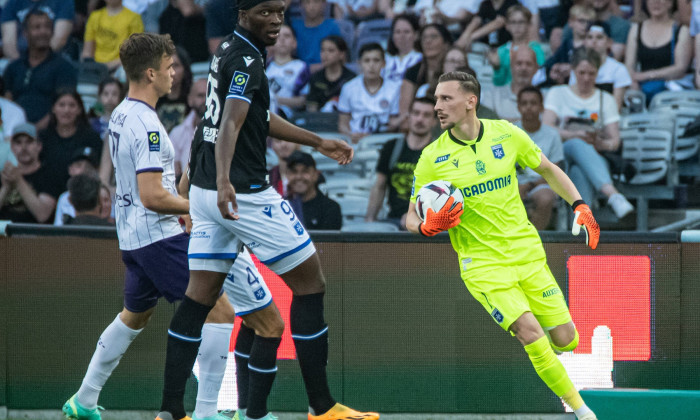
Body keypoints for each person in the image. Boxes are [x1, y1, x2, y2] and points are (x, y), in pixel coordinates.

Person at [157, 1, 378, 419]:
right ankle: (323, 407)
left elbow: (241, 115)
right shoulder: (246, 58)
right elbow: (231, 126)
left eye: (280, 11)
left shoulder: (228, 48)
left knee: (197, 300)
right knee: (311, 284)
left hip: (206, 193)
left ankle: (170, 411)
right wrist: (225, 181)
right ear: (243, 12)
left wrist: (317, 142)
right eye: (266, 12)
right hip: (242, 193)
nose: (276, 20)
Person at [60, 32, 269, 420]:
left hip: (133, 236)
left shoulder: (121, 113)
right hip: (159, 237)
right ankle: (208, 413)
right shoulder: (149, 127)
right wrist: (198, 206)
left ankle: (84, 400)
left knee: (134, 315)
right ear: (152, 72)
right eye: (170, 67)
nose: (176, 74)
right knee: (220, 312)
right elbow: (153, 196)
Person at [406, 70, 600, 420]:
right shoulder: (431, 158)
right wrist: (426, 226)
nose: (437, 106)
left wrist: (580, 205)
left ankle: (555, 365)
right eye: (436, 99)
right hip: (483, 266)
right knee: (531, 334)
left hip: (527, 254)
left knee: (566, 339)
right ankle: (582, 410)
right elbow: (409, 217)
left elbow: (548, 169)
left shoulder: (507, 134)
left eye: (445, 98)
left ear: (470, 101)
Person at [542, 48, 634, 219]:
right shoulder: (558, 93)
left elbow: (614, 141)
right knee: (575, 144)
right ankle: (612, 194)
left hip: (593, 158)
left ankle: (582, 232)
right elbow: (547, 127)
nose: (586, 78)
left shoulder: (605, 99)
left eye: (591, 73)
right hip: (561, 158)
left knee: (580, 172)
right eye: (581, 72)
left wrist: (598, 143)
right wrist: (574, 136)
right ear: (573, 70)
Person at [365, 96, 436, 229]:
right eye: (416, 113)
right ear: (408, 117)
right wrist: (370, 218)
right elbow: (379, 185)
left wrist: (417, 215)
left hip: (426, 222)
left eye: (426, 115)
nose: (420, 119)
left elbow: (442, 195)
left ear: (434, 121)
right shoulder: (391, 147)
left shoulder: (440, 153)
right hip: (393, 220)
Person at [2, 9, 78, 129]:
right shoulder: (13, 67)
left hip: (48, 134)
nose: (43, 31)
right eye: (37, 27)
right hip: (14, 134)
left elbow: (64, 105)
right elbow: (6, 102)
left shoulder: (64, 67)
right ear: (25, 33)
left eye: (47, 27)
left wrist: (34, 131)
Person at [515, 86, 564, 230]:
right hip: (513, 184)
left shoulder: (552, 135)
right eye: (524, 103)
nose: (529, 107)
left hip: (541, 184)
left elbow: (554, 171)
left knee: (546, 198)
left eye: (533, 103)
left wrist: (529, 185)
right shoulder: (509, 133)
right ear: (518, 107)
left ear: (542, 107)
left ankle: (534, 240)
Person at [624, 0, 692, 102]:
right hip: (642, 90)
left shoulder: (681, 30)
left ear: (670, 3)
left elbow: (680, 67)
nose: (656, 2)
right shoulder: (636, 28)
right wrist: (633, 82)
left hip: (672, 92)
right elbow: (629, 65)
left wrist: (648, 75)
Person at [338, 42, 401, 144]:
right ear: (359, 63)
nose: (371, 65)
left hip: (382, 141)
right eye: (367, 61)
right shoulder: (348, 88)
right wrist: (350, 135)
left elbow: (393, 124)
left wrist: (373, 135)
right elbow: (342, 124)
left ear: (384, 63)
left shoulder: (394, 88)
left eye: (376, 60)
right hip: (354, 142)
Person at [39, 89, 103, 189]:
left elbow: (99, 169)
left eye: (72, 105)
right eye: (61, 105)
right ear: (53, 108)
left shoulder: (91, 137)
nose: (66, 110)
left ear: (79, 110)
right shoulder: (43, 137)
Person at [0, 123, 62, 223]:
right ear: (12, 147)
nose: (23, 148)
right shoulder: (4, 175)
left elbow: (42, 215)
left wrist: (18, 180)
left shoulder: (50, 175)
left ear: (39, 146)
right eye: (18, 143)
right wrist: (5, 187)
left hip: (33, 235)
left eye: (29, 142)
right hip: (3, 234)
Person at [398, 23, 451, 129]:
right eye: (424, 38)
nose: (428, 41)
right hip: (418, 125)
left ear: (445, 43)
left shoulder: (451, 72)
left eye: (433, 36)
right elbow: (404, 113)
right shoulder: (412, 71)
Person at [572, 21, 630, 110]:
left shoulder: (618, 69)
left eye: (599, 37)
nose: (594, 41)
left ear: (609, 42)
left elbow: (616, 107)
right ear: (584, 42)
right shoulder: (577, 68)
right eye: (590, 37)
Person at [489, 4, 546, 87]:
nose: (517, 26)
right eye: (513, 22)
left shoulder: (537, 50)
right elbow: (498, 84)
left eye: (521, 22)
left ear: (529, 25)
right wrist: (497, 68)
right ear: (507, 26)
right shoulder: (501, 51)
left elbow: (540, 78)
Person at [541, 4, 595, 87]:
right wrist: (555, 68)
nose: (585, 25)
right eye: (581, 21)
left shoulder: (593, 46)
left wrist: (572, 69)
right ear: (570, 22)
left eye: (589, 22)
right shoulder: (566, 44)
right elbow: (549, 64)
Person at [481, 46, 540, 121]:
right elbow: (487, 125)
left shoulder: (545, 98)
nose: (523, 68)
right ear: (511, 67)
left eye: (528, 64)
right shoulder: (492, 95)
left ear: (536, 68)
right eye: (519, 63)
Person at [1, 0, 75, 60]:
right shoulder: (12, 3)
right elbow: (8, 43)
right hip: (18, 60)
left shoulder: (63, 2)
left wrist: (38, 63)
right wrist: (21, 65)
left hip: (55, 59)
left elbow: (60, 40)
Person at [82, 0, 144, 72]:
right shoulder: (94, 17)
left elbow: (135, 54)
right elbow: (87, 52)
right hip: (96, 69)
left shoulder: (134, 18)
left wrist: (107, 66)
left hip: (121, 69)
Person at [286, 151, 342, 230]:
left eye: (305, 171)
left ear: (315, 175)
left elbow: (327, 242)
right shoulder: (282, 206)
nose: (299, 177)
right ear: (287, 175)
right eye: (294, 171)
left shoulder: (330, 208)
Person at [266, 25, 310, 118]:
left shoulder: (301, 67)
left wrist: (274, 100)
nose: (282, 39)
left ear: (294, 43)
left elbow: (303, 100)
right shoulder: (263, 65)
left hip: (288, 117)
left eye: (287, 36)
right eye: (278, 36)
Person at [305, 35, 356, 112]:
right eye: (322, 50)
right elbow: (311, 109)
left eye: (331, 50)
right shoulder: (315, 78)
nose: (325, 54)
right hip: (319, 121)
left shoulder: (351, 79)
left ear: (341, 54)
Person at [170, 77, 207, 179]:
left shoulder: (224, 131)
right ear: (190, 100)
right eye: (200, 95)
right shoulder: (177, 133)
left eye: (209, 95)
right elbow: (175, 176)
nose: (205, 100)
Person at [54, 145, 101, 226]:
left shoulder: (104, 194)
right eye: (79, 165)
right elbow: (58, 230)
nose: (84, 170)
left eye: (89, 167)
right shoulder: (64, 198)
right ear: (70, 169)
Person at [291, 0, 342, 73]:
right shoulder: (295, 26)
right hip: (297, 72)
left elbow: (339, 55)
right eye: (307, 2)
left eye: (316, 2)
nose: (312, 6)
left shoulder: (332, 26)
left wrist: (322, 66)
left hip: (326, 71)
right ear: (301, 5)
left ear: (324, 4)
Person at [454, 0, 520, 51]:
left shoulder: (512, 3)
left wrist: (471, 38)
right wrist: (463, 37)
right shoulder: (485, 4)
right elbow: (476, 21)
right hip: (488, 47)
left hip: (507, 47)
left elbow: (498, 22)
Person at [156, 46, 193, 133]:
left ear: (185, 69)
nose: (171, 71)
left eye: (176, 66)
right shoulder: (154, 99)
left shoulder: (192, 99)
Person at [383, 14, 422, 83]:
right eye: (398, 32)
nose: (402, 36)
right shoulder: (384, 59)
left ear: (416, 35)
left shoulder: (421, 59)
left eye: (406, 32)